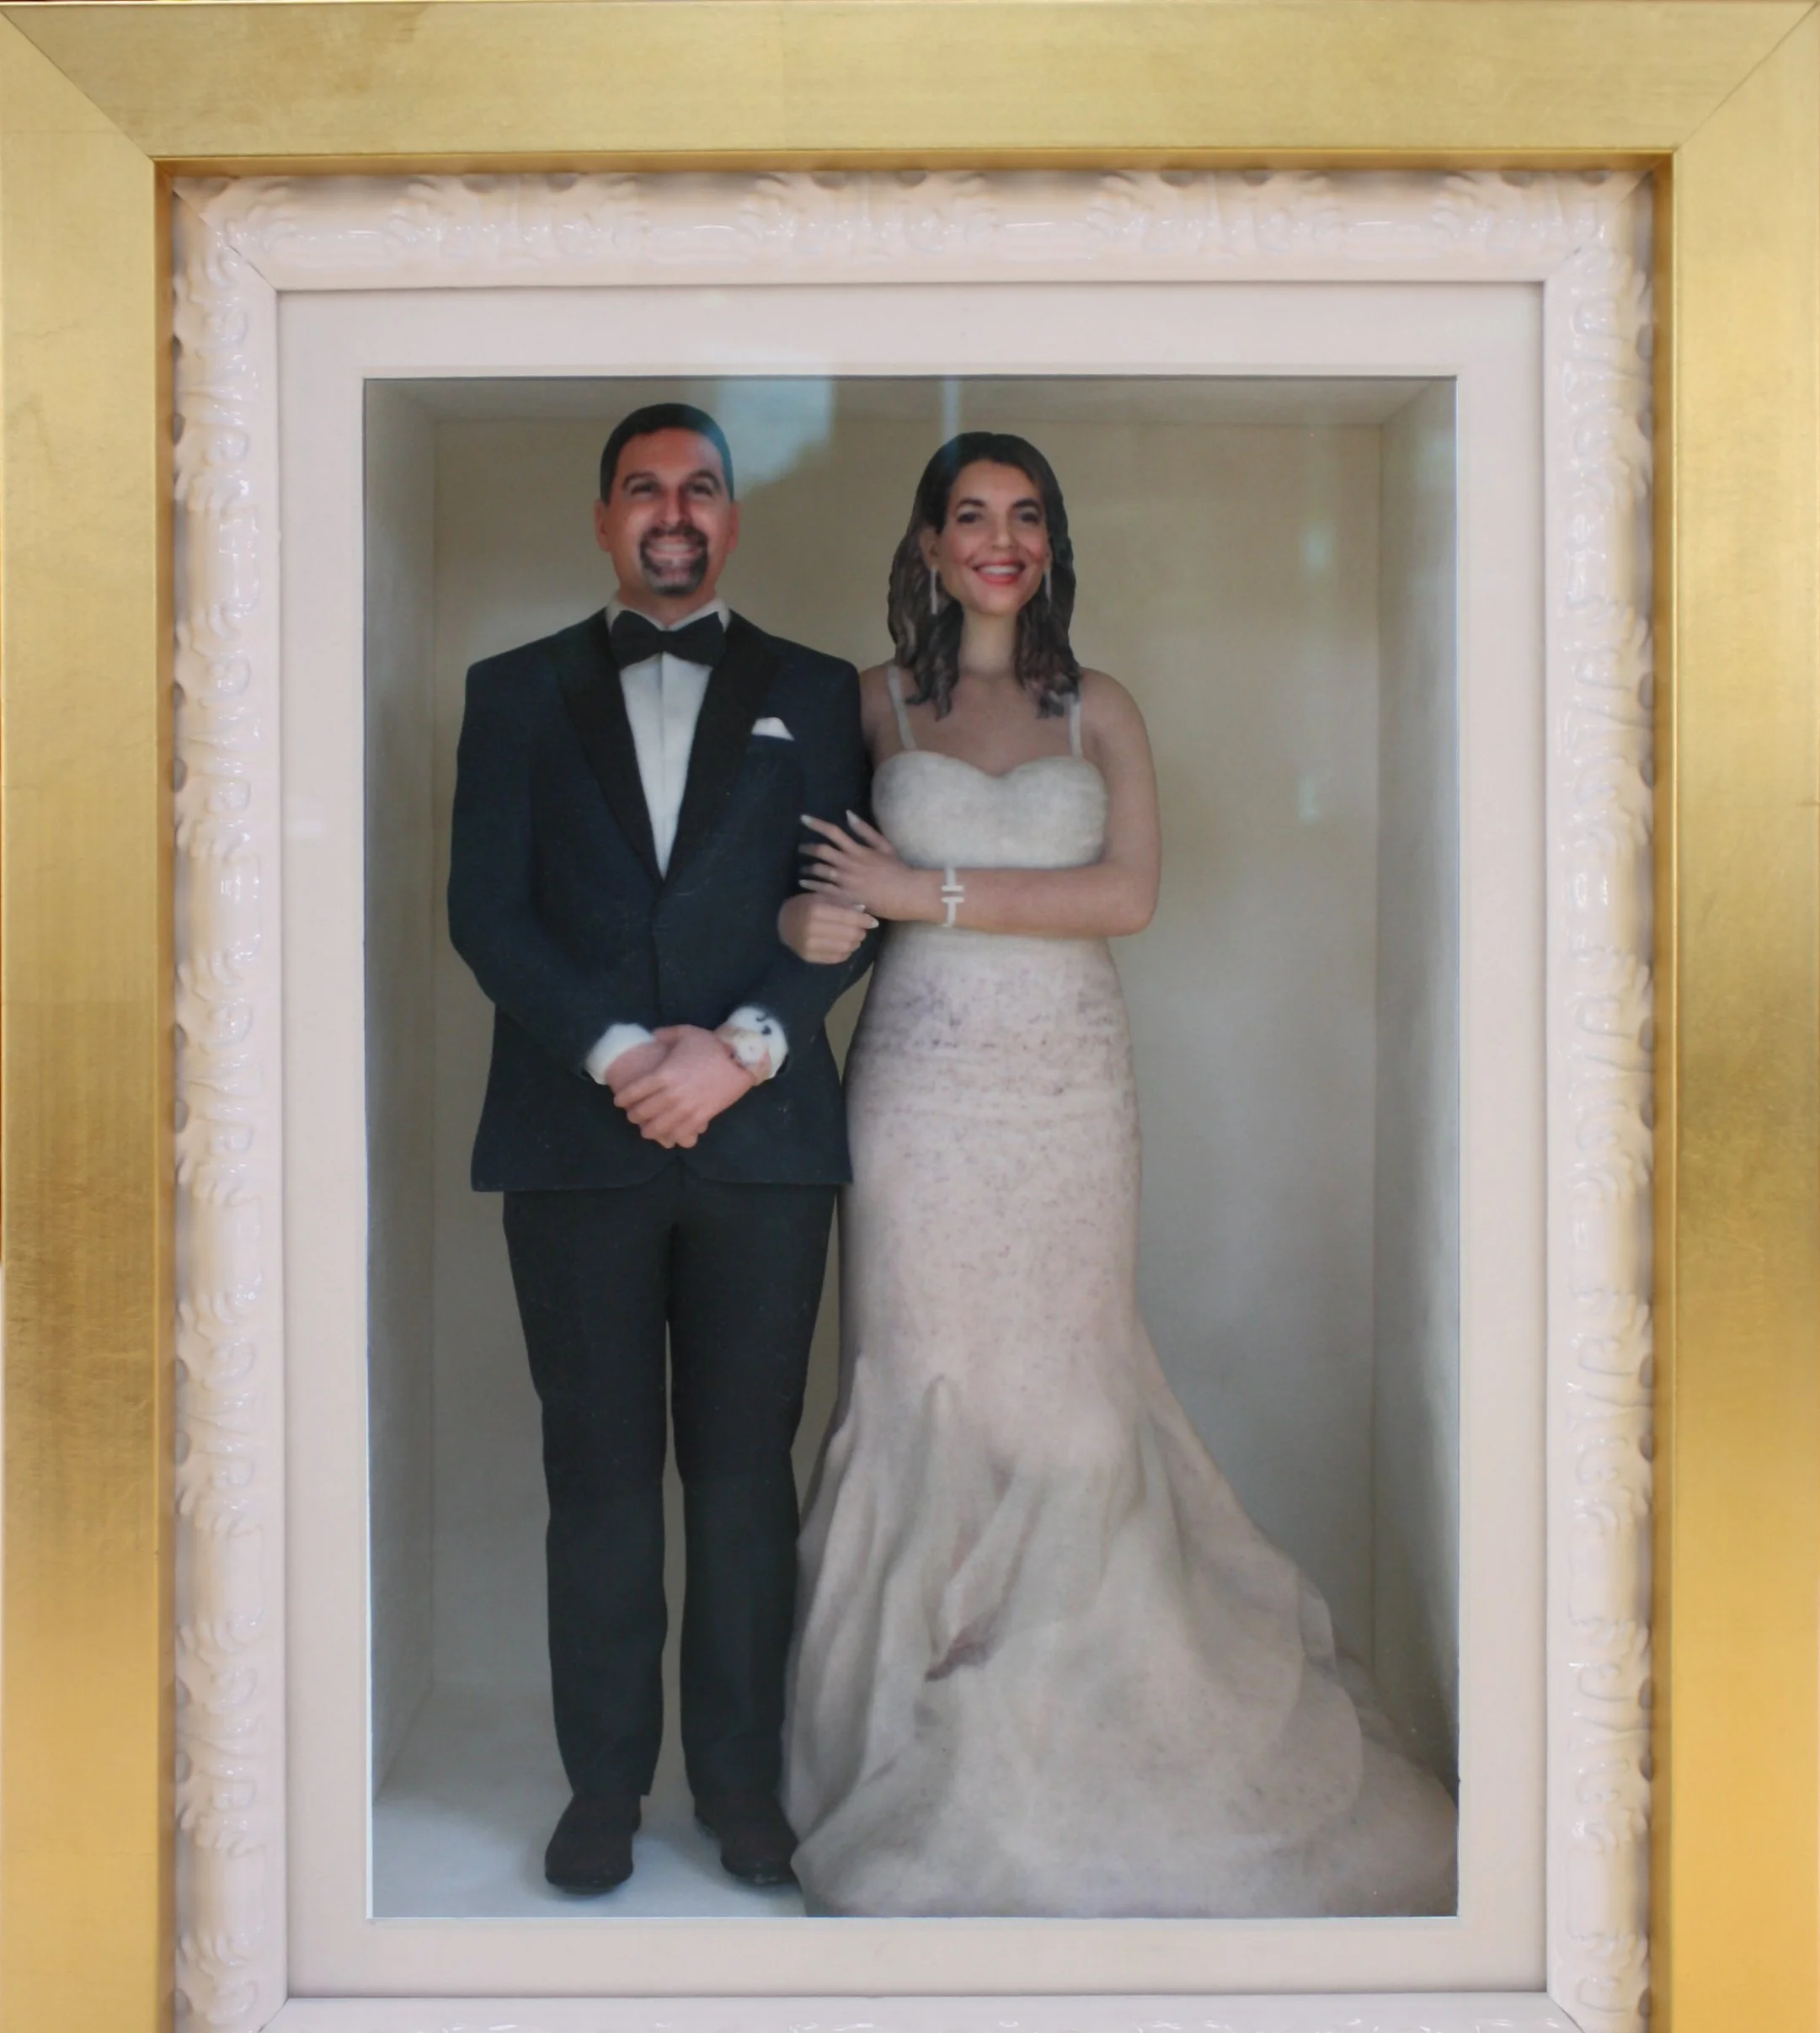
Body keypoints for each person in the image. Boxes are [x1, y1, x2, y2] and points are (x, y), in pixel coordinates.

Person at [777, 432, 1457, 1917]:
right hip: (922, 1091)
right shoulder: (867, 705)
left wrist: (925, 891)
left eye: (1026, 517)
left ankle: (1085, 1754)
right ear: (930, 544)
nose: (1000, 540)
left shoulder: (1107, 710)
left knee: (1078, 1413)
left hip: (1071, 1089)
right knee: (927, 1391)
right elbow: (800, 895)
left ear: (1053, 543)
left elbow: (1129, 894)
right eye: (972, 516)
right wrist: (816, 926)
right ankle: (909, 1755)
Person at [448, 403, 875, 1897]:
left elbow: (847, 904)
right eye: (644, 489)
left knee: (747, 1479)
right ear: (603, 516)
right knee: (602, 1482)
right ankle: (603, 1791)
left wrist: (743, 1048)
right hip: (578, 1140)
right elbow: (486, 916)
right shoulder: (511, 691)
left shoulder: (821, 691)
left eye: (700, 488)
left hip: (764, 1148)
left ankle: (745, 1787)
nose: (673, 512)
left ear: (735, 518)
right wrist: (627, 1055)